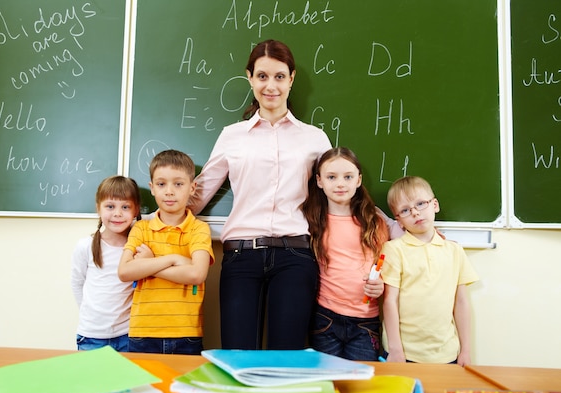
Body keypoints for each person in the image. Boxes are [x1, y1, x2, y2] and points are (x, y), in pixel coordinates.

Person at [188, 39, 332, 350]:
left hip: (295, 255)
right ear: (250, 78)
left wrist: (390, 225)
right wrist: (146, 221)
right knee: (237, 354)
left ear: (292, 79)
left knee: (288, 356)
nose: (271, 86)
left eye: (280, 76)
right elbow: (198, 193)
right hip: (242, 256)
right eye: (262, 76)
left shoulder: (314, 138)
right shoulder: (232, 136)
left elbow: (341, 191)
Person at [118, 149, 214, 354]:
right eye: (161, 184)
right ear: (152, 188)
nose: (169, 191)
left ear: (192, 187)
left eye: (178, 184)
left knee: (183, 387)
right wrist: (175, 259)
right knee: (145, 387)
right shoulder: (141, 228)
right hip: (143, 332)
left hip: (186, 333)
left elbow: (197, 274)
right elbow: (125, 272)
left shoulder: (198, 229)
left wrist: (149, 264)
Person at [301, 147, 389, 361]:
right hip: (325, 316)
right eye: (332, 177)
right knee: (327, 382)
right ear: (319, 181)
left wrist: (381, 284)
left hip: (365, 320)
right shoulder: (310, 220)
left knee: (359, 384)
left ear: (358, 180)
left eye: (348, 177)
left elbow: (385, 263)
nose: (340, 184)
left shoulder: (374, 220)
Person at [381, 176, 479, 365]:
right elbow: (389, 302)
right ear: (399, 221)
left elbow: (461, 302)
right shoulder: (394, 250)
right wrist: (395, 350)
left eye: (420, 204)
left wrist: (465, 351)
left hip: (447, 353)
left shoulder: (454, 250)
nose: (415, 213)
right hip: (405, 353)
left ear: (435, 205)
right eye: (405, 210)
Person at [71, 175, 142, 352]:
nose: (117, 213)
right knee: (92, 380)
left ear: (136, 211)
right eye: (110, 206)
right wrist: (91, 316)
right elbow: (77, 283)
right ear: (98, 209)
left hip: (127, 336)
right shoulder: (86, 245)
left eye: (125, 207)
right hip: (92, 336)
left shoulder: (138, 249)